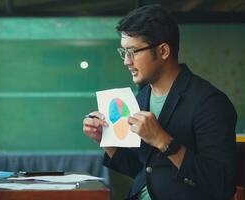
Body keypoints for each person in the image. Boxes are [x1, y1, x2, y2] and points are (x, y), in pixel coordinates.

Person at [82, 4, 237, 200]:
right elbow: (145, 171)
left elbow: (222, 184)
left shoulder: (210, 103)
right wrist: (105, 140)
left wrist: (163, 141)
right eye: (124, 52)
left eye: (133, 52)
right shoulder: (141, 97)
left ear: (163, 51)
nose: (126, 61)